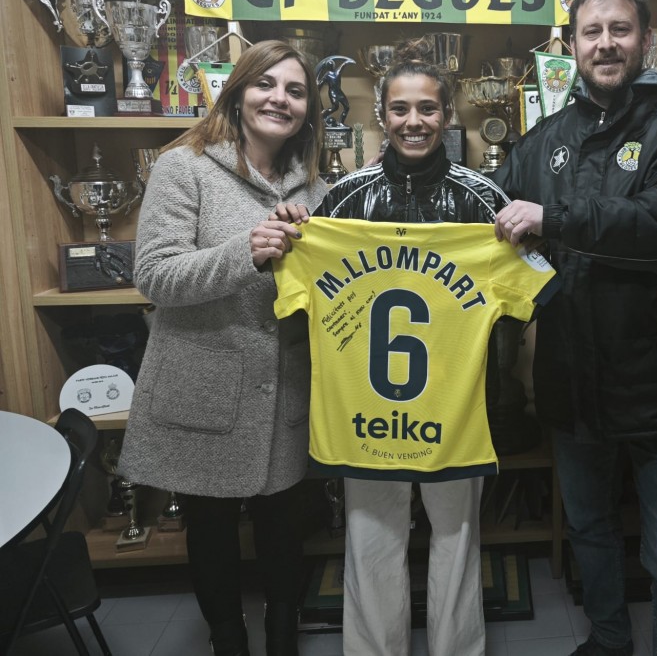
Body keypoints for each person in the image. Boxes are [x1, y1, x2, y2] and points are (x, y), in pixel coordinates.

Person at [491, 0, 657, 656]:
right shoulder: (544, 139)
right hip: (572, 380)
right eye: (591, 31)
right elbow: (486, 214)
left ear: (645, 40)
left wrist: (554, 219)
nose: (605, 43)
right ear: (571, 44)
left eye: (619, 29)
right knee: (589, 530)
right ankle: (609, 642)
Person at [281, 51, 520, 656]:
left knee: (457, 539)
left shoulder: (485, 197)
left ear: (447, 116)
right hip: (365, 410)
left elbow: (527, 300)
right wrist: (289, 239)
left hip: (457, 409)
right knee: (370, 540)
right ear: (382, 117)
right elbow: (302, 288)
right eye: (400, 108)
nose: (414, 121)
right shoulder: (342, 199)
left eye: (428, 108)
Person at [118, 40, 329, 656]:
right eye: (266, 85)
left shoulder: (317, 187)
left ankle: (283, 640)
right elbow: (154, 275)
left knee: (284, 530)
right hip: (204, 390)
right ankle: (228, 643)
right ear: (236, 93)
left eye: (295, 91)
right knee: (210, 532)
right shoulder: (182, 167)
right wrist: (246, 252)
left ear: (308, 110)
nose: (280, 99)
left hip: (285, 390)